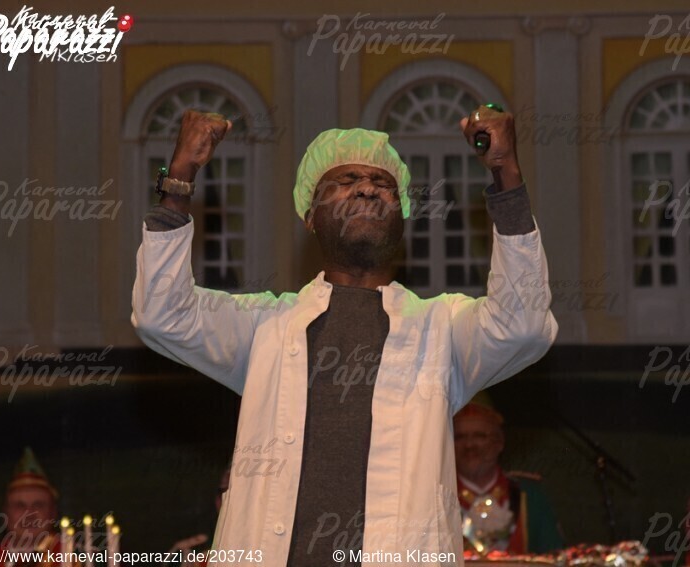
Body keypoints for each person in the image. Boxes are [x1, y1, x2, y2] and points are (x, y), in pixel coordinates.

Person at [131, 105, 558, 566]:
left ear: (403, 215)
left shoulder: (440, 330)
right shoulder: (264, 327)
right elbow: (162, 314)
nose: (367, 187)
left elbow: (523, 324)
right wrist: (179, 178)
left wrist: (506, 175)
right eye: (346, 179)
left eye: (383, 184)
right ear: (310, 215)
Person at [454, 398, 563, 555]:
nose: (469, 445)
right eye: (459, 437)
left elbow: (554, 555)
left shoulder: (529, 495)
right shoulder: (436, 498)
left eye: (479, 436)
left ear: (499, 442)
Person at [0, 447, 62, 567]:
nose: (29, 514)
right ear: (5, 514)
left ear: (53, 512)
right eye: (19, 506)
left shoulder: (77, 559)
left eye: (38, 505)